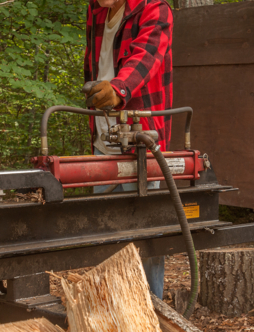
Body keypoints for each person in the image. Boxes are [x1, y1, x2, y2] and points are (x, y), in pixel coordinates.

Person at [84, 0, 173, 299]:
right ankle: (108, 315)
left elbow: (146, 57)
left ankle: (152, 312)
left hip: (141, 143)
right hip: (102, 141)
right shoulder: (96, 10)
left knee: (146, 239)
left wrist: (118, 89)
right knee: (105, 239)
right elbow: (94, 64)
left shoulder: (155, 8)